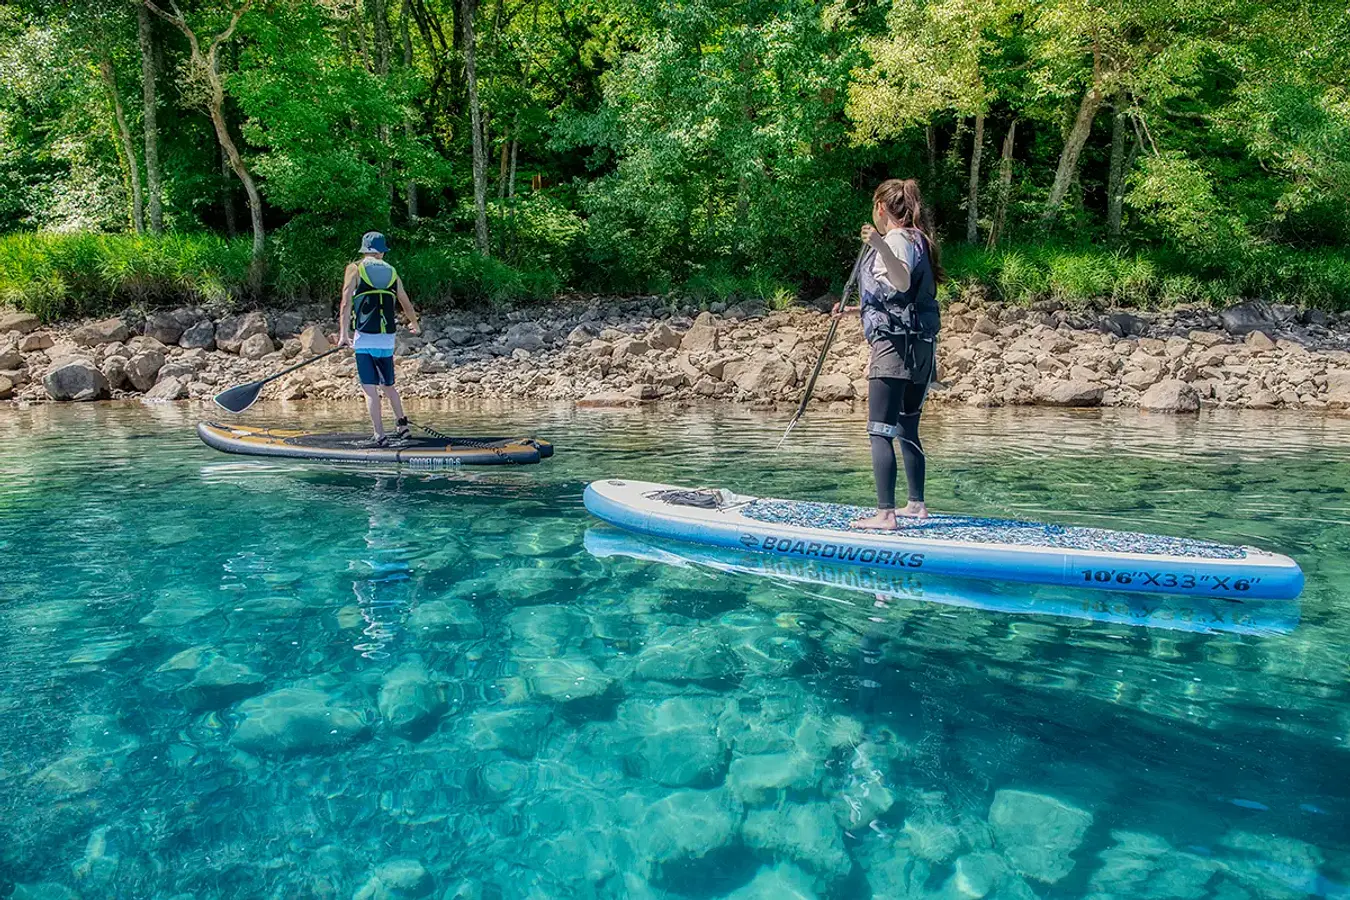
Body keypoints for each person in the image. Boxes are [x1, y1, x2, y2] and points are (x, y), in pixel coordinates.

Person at [833, 179, 943, 527]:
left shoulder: (895, 239)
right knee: (907, 428)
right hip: (921, 349)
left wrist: (879, 244)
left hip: (894, 349)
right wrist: (860, 310)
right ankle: (916, 505)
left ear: (880, 208)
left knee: (880, 430)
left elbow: (902, 281)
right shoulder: (918, 239)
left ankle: (885, 514)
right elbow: (903, 299)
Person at [339, 231, 420, 446]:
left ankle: (380, 435)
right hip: (387, 339)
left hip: (365, 338)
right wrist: (415, 325)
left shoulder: (355, 268)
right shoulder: (392, 271)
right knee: (389, 386)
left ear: (364, 250)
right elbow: (406, 303)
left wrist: (343, 335)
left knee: (370, 390)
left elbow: (345, 303)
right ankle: (403, 428)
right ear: (382, 252)